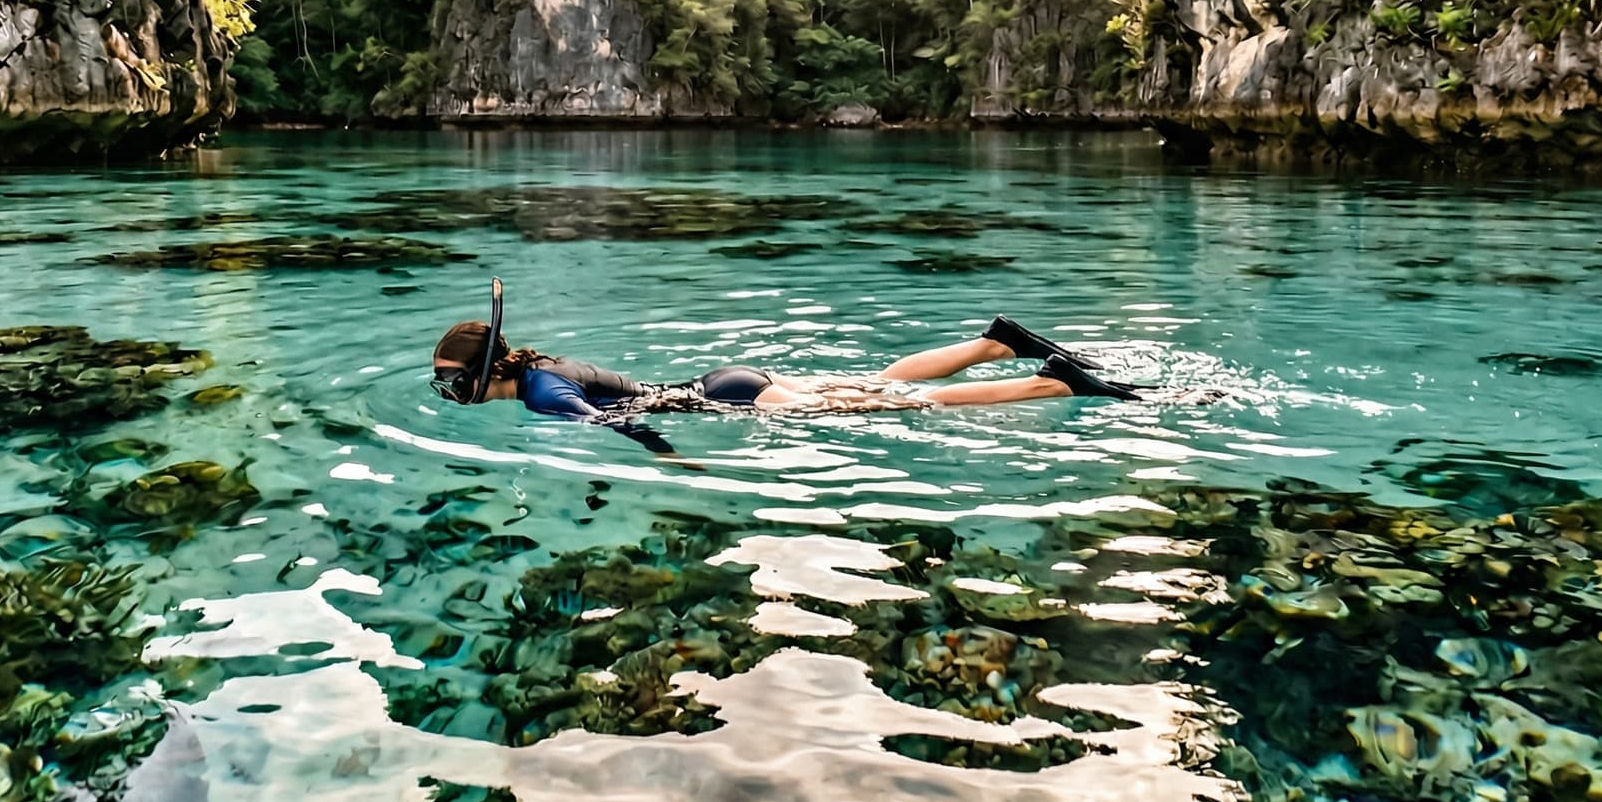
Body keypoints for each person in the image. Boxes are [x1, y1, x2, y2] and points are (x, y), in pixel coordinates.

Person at [428, 303, 1142, 458]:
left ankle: (1056, 384)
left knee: (903, 408)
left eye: (453, 381)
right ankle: (994, 344)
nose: (449, 393)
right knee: (876, 386)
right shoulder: (543, 366)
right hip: (728, 380)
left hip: (730, 401)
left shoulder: (541, 393)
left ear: (486, 372)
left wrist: (672, 459)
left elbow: (615, 421)